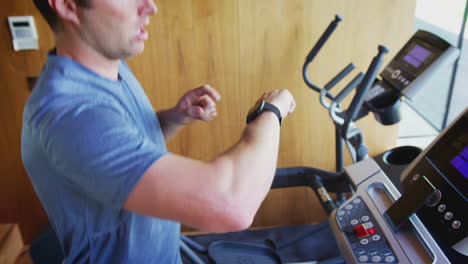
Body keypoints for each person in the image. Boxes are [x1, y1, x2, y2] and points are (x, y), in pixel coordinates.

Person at [22, 0, 296, 263]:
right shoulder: (72, 114)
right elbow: (231, 205)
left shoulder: (105, 67)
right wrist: (269, 113)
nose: (150, 6)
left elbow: (114, 152)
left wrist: (172, 120)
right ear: (68, 6)